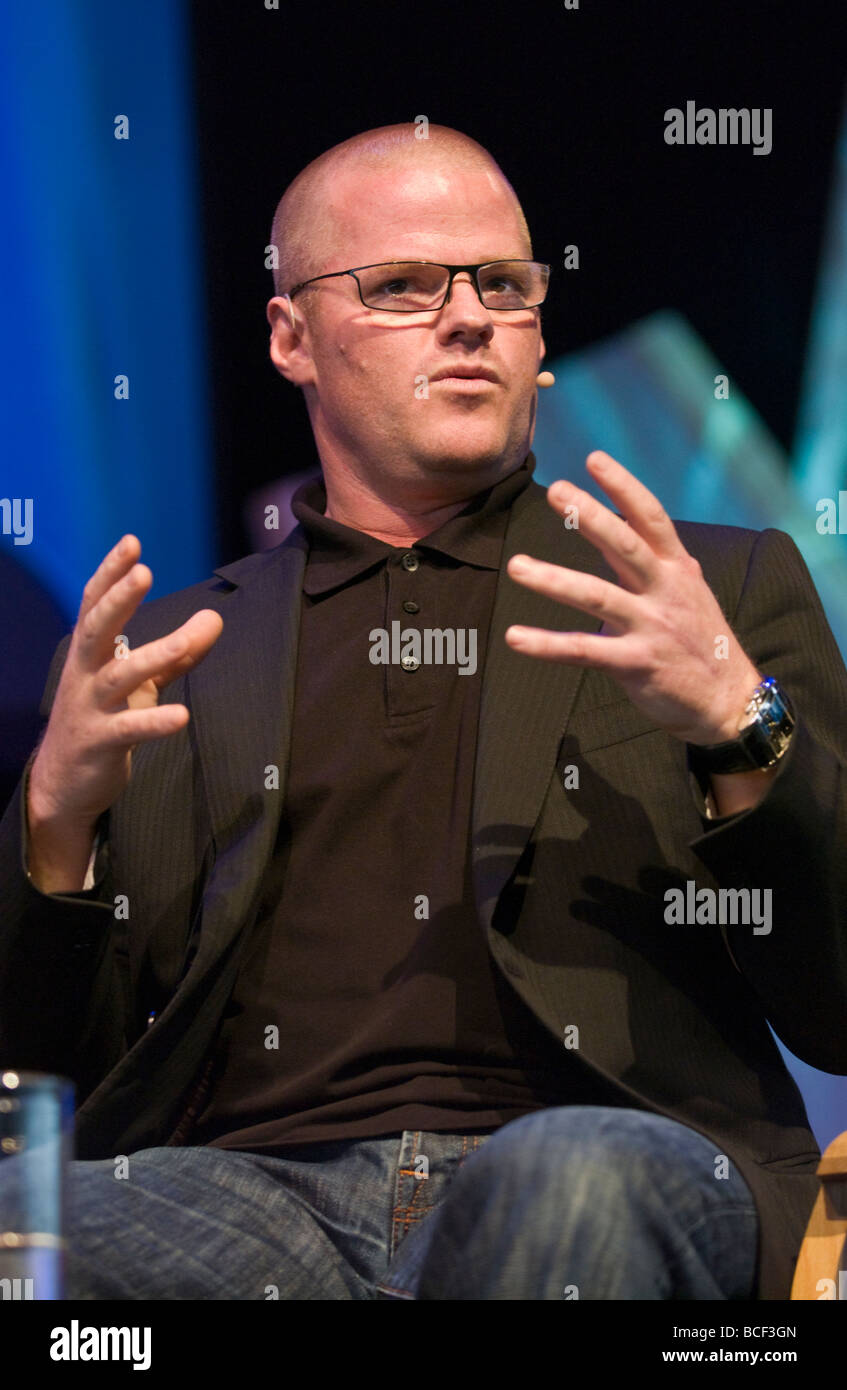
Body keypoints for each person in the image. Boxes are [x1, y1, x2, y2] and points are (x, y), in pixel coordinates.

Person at [1, 123, 846, 1302]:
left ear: (538, 331)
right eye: (401, 286)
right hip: (250, 1196)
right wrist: (57, 827)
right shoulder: (174, 650)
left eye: (502, 283)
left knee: (560, 1181)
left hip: (603, 1148)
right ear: (290, 337)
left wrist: (736, 727)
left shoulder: (704, 591)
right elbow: (43, 1069)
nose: (467, 318)